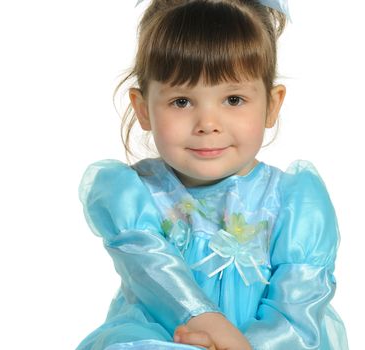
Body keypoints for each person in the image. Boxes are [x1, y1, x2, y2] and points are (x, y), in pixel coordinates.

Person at [77, 0, 349, 349]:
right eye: (181, 101)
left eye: (233, 99)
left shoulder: (294, 203)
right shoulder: (132, 195)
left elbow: (297, 315)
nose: (208, 124)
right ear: (143, 109)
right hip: (163, 336)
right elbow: (153, 272)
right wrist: (211, 332)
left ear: (272, 104)